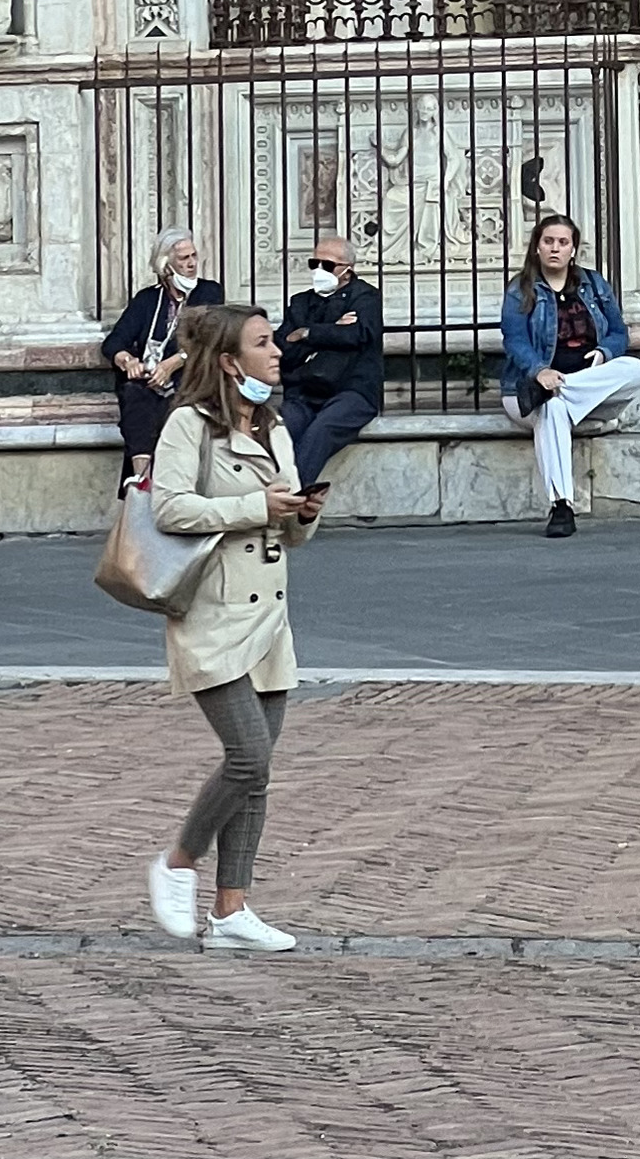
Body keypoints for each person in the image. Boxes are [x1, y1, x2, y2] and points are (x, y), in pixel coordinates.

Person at [146, 303, 319, 952]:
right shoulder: (189, 425)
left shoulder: (274, 425)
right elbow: (169, 507)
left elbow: (291, 529)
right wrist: (255, 506)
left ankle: (230, 911)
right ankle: (177, 863)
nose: (276, 353)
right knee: (247, 756)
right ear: (228, 360)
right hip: (213, 613)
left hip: (269, 614)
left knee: (259, 768)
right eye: (263, 343)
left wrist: (302, 513)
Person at [497, 213, 640, 537]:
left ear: (573, 249)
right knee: (552, 409)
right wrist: (539, 372)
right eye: (548, 241)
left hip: (588, 388)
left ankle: (565, 389)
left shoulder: (593, 283)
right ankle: (562, 506)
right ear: (537, 248)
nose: (555, 248)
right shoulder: (521, 289)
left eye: (563, 242)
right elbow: (515, 340)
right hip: (528, 391)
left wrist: (604, 353)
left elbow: (619, 333)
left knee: (637, 369)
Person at [105, 233, 222, 487]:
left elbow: (209, 339)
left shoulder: (209, 292)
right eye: (183, 259)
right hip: (150, 383)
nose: (191, 264)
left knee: (154, 410)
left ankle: (139, 487)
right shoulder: (147, 299)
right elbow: (114, 342)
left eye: (193, 256)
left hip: (189, 381)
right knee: (137, 396)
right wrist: (127, 361)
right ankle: (142, 481)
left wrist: (174, 362)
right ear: (166, 266)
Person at [275, 234, 387, 490]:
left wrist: (307, 333)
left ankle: (292, 499)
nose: (319, 270)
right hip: (304, 391)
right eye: (314, 264)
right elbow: (283, 347)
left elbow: (357, 335)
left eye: (327, 265)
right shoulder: (301, 302)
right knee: (281, 430)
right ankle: (268, 496)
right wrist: (329, 330)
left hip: (351, 390)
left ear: (347, 270)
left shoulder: (365, 297)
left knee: (321, 431)